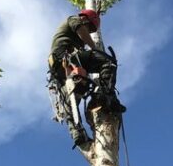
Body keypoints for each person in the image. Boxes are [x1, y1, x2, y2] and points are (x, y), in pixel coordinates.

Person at [48, 9, 125, 147]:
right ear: (85, 19)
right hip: (66, 57)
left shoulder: (75, 38)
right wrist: (96, 49)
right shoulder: (74, 19)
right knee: (108, 62)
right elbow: (81, 29)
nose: (89, 31)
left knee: (73, 94)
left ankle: (77, 133)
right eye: (89, 27)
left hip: (59, 67)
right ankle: (105, 95)